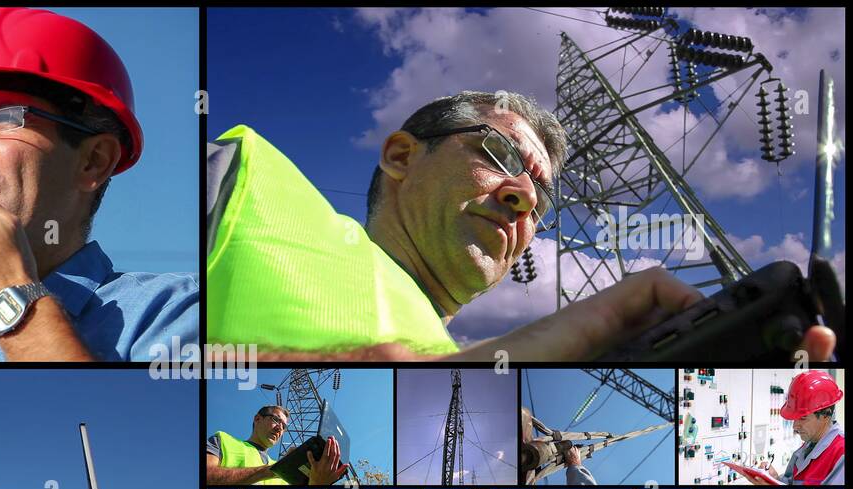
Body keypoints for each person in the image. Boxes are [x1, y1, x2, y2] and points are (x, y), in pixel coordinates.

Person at [206, 91, 836, 362]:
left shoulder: (473, 367)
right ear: (401, 156)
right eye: (499, 154)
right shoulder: (246, 186)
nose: (523, 196)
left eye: (541, 202)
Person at [0, 8, 198, 362]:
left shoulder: (175, 314)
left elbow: (89, 401)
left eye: (4, 118)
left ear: (93, 161)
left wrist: (3, 296)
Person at [205, 404, 347, 485]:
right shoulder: (223, 440)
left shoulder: (287, 473)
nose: (280, 428)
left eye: (284, 427)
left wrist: (317, 483)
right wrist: (274, 470)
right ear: (257, 419)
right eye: (276, 420)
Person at [753, 370, 844, 485]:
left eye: (803, 418)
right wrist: (775, 479)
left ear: (826, 414)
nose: (795, 426)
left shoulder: (841, 452)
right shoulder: (807, 447)